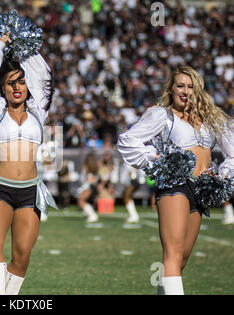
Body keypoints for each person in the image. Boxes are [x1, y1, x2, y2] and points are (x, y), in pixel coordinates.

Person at [117, 66, 233, 295]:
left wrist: (221, 173)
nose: (185, 91)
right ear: (171, 89)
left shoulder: (211, 118)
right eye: (180, 85)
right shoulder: (162, 115)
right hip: (175, 184)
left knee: (181, 260)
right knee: (172, 255)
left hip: (201, 189)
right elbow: (127, 140)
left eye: (190, 87)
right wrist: (153, 157)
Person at [0, 33, 57, 295]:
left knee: (22, 256)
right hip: (1, 189)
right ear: (2, 89)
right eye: (10, 83)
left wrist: (23, 43)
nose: (16, 87)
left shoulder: (39, 110)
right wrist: (1, 43)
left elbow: (43, 73)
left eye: (21, 82)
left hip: (30, 192)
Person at [76, 152, 100, 223]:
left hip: (88, 187)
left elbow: (90, 179)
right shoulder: (93, 167)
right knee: (82, 201)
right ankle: (90, 214)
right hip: (90, 187)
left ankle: (92, 215)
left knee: (81, 201)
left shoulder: (88, 168)